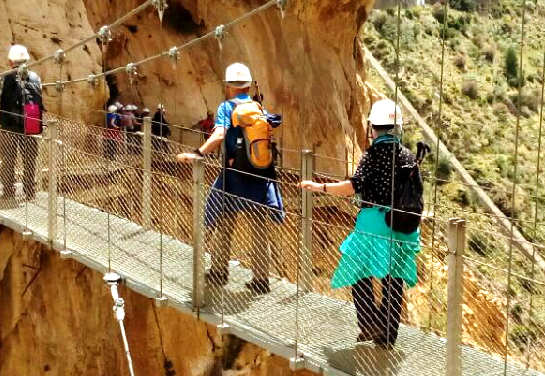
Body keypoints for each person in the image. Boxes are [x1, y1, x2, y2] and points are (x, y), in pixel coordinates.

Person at [297, 98, 424, 348]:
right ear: (397, 128)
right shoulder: (409, 156)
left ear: (372, 128)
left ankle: (368, 323)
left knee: (358, 271)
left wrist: (320, 187)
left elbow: (352, 187)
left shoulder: (372, 155)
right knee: (393, 280)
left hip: (372, 224)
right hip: (402, 227)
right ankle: (387, 336)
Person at [176, 62, 283, 294]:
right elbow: (272, 125)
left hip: (234, 177)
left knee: (224, 222)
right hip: (259, 175)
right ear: (248, 86)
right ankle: (261, 281)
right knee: (259, 229)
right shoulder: (257, 107)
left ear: (229, 86)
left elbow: (219, 135)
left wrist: (198, 153)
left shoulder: (226, 107)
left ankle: (219, 271)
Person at [0, 44, 44, 201]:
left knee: (8, 159)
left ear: (11, 61)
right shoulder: (36, 78)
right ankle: (30, 192)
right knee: (30, 159)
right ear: (27, 60)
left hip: (9, 124)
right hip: (31, 122)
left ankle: (8, 191)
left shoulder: (3, 78)